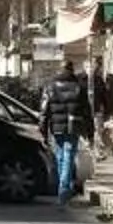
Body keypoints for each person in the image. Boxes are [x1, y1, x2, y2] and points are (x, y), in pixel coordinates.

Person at [37, 66, 97, 209]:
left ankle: (65, 187)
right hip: (74, 126)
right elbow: (87, 112)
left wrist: (43, 131)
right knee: (69, 156)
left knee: (60, 157)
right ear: (71, 71)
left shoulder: (50, 87)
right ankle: (64, 190)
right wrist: (90, 133)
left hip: (56, 127)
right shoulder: (79, 87)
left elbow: (44, 112)